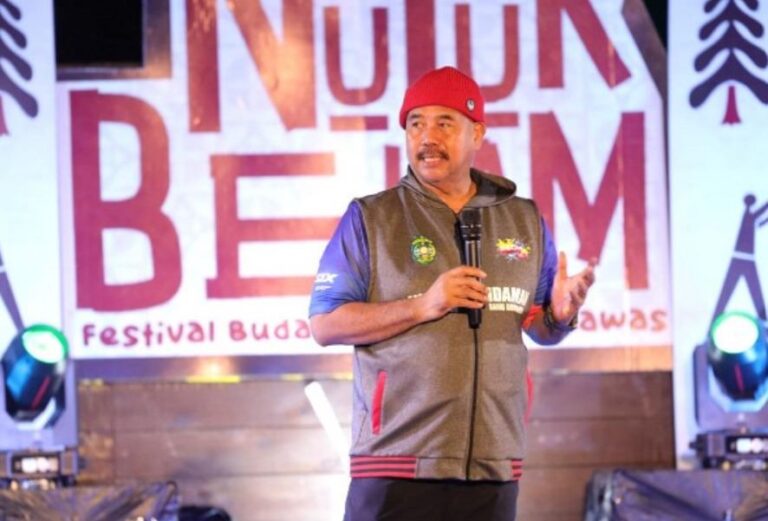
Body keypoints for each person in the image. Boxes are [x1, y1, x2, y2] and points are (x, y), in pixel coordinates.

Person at [309, 66, 596, 521]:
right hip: (396, 464)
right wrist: (422, 306)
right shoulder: (372, 218)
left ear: (477, 132)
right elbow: (325, 324)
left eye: (444, 123)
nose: (427, 137)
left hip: (493, 467)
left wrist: (558, 317)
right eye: (415, 123)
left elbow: (538, 325)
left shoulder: (523, 219)